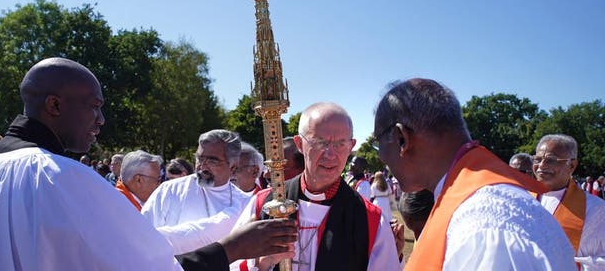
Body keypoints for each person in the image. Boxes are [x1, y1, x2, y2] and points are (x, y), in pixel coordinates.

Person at [0, 57, 298, 271]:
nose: (101, 120)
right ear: (54, 104)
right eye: (94, 106)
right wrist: (233, 247)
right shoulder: (60, 177)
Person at [373, 78, 575, 270]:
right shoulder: (478, 202)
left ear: (402, 139)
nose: (380, 155)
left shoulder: (483, 227)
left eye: (378, 142)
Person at [233, 102, 399, 271]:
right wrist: (259, 265)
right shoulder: (264, 203)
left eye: (340, 144)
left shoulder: (370, 220)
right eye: (320, 142)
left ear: (351, 147)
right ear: (299, 144)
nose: (330, 155)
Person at [141, 129, 251, 255]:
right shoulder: (170, 190)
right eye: (199, 158)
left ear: (233, 167)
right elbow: (144, 237)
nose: (202, 166)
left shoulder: (244, 204)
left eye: (212, 160)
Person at [531, 134, 605, 269]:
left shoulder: (596, 210)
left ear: (571, 165)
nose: (541, 165)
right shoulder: (521, 200)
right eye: (538, 159)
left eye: (551, 160)